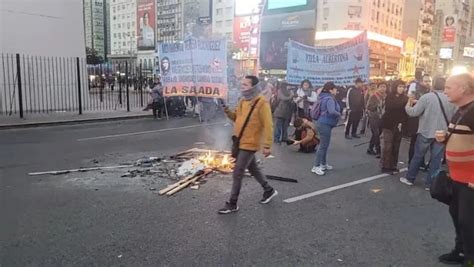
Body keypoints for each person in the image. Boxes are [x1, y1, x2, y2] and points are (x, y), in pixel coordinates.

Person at [219, 75, 277, 214]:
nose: (242, 86)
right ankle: (268, 190)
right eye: (242, 84)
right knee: (253, 168)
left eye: (245, 85)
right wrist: (226, 110)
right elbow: (236, 118)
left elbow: (268, 125)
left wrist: (267, 145)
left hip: (250, 143)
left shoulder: (262, 102)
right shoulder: (243, 101)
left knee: (238, 172)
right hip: (239, 141)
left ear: (253, 87)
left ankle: (233, 203)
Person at [436, 73, 474, 266]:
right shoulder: (460, 110)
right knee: (458, 218)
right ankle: (460, 251)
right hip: (456, 176)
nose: (445, 90)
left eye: (449, 87)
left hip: (470, 180)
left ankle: (470, 259)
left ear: (463, 89)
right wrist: (446, 138)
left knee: (469, 222)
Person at [399, 75, 457, 189]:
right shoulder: (451, 99)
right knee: (436, 160)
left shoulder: (426, 97)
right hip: (441, 133)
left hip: (426, 131)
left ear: (433, 84)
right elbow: (455, 117)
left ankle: (410, 178)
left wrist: (408, 105)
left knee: (418, 156)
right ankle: (431, 183)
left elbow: (413, 112)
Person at [311, 82, 342, 176]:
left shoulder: (323, 97)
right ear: (331, 90)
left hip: (322, 123)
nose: (336, 91)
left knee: (325, 145)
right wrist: (339, 114)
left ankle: (323, 164)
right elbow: (332, 111)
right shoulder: (329, 99)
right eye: (335, 89)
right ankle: (316, 166)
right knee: (323, 145)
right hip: (325, 124)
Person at [380, 80, 408, 173]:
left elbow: (405, 112)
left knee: (396, 146)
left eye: (403, 87)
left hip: (399, 125)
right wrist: (406, 103)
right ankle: (385, 166)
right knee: (388, 146)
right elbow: (391, 107)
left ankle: (393, 165)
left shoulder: (405, 98)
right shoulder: (390, 96)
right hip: (388, 124)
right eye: (399, 86)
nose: (401, 89)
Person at [406, 73, 432, 167]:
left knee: (423, 144)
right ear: (421, 81)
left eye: (429, 81)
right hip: (415, 120)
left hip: (426, 121)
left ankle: (421, 162)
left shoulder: (431, 91)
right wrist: (418, 102)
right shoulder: (415, 89)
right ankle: (411, 163)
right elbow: (410, 101)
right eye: (426, 81)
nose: (428, 83)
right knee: (414, 142)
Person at [366, 83, 387, 157]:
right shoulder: (374, 96)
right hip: (373, 117)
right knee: (376, 133)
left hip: (381, 117)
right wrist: (377, 105)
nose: (383, 88)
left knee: (377, 134)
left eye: (384, 87)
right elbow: (368, 107)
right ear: (378, 88)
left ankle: (370, 148)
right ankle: (378, 151)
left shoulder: (386, 96)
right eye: (381, 87)